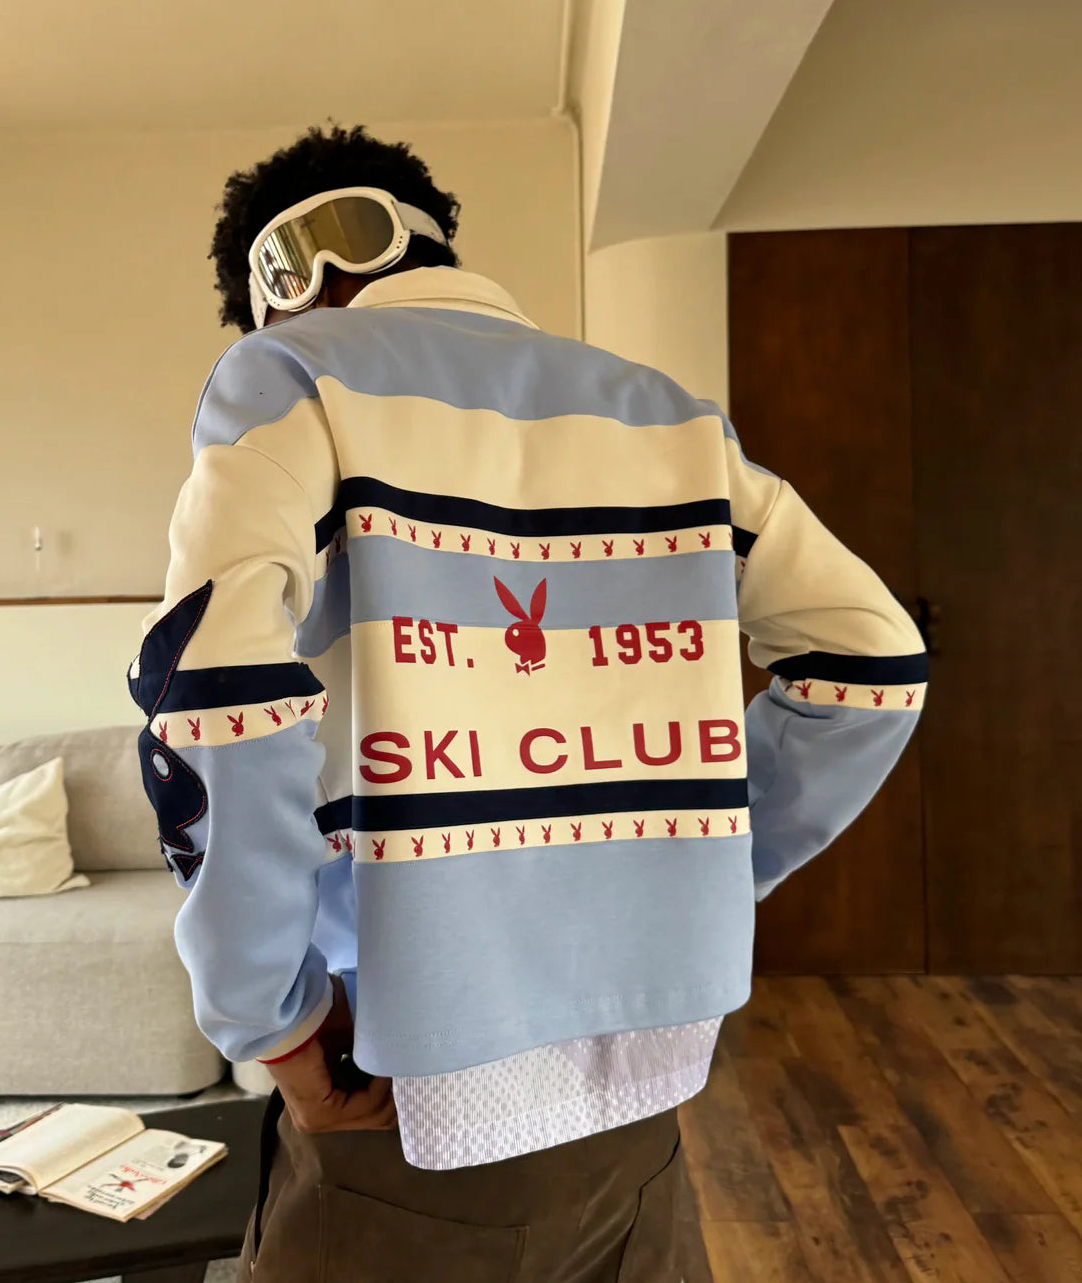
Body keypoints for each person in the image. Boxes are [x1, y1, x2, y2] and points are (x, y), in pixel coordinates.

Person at [129, 124, 926, 1281]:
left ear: (284, 283)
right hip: (646, 1113)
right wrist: (686, 868)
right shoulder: (668, 414)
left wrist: (273, 1022)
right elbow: (873, 663)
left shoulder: (288, 372)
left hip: (403, 1102)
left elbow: (217, 693)